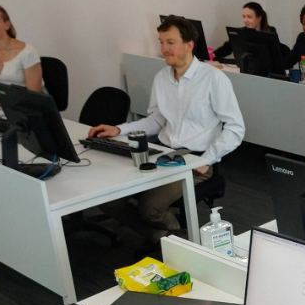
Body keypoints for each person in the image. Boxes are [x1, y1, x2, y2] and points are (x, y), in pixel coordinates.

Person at [88, 15, 245, 243]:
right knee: (107, 199)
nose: (164, 49)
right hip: (162, 152)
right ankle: (169, 237)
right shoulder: (162, 78)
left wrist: (208, 158)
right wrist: (119, 130)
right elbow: (156, 120)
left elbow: (235, 128)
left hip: (195, 160)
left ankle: (176, 242)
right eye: (161, 42)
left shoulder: (213, 79)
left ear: (189, 45)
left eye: (170, 42)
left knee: (150, 207)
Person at [0, 4, 44, 96]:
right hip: (2, 101)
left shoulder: (28, 53)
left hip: (28, 102)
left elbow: (35, 96)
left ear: (7, 24)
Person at [212, 1, 277, 62]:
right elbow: (227, 47)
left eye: (249, 17)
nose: (245, 20)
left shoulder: (270, 31)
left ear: (259, 18)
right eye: (243, 16)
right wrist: (213, 55)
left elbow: (275, 53)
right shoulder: (241, 32)